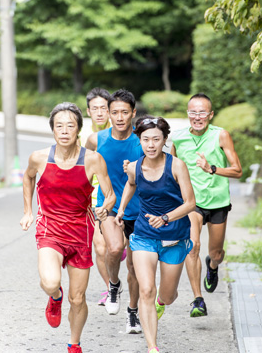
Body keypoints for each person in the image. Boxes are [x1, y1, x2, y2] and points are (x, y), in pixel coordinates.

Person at [20, 102, 116, 353]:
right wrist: (29, 211)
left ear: (78, 131)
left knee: (78, 298)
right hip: (50, 229)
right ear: (52, 130)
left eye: (70, 126)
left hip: (80, 233)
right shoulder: (39, 158)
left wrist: (104, 208)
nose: (64, 131)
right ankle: (54, 297)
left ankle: (74, 344)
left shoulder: (93, 160)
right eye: (59, 126)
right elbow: (28, 177)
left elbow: (110, 195)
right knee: (51, 282)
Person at [116, 116, 195, 353]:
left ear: (164, 141)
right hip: (144, 235)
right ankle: (152, 347)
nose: (151, 145)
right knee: (147, 289)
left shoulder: (176, 166)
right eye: (145, 139)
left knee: (167, 296)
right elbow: (131, 183)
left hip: (174, 237)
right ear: (139, 140)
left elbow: (191, 203)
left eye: (156, 139)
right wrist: (120, 209)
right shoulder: (133, 166)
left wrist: (166, 218)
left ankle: (163, 302)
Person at [171, 93, 242, 318]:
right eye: (193, 112)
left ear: (210, 115)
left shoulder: (221, 135)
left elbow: (238, 170)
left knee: (216, 252)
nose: (197, 117)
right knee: (193, 246)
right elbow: (169, 169)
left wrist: (212, 168)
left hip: (218, 202)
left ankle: (212, 266)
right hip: (192, 203)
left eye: (202, 112)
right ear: (188, 114)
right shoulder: (178, 138)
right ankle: (197, 299)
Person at [86, 88, 143, 334]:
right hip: (108, 206)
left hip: (141, 210)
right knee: (114, 248)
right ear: (107, 114)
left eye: (124, 112)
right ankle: (113, 284)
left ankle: (132, 312)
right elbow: (84, 172)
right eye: (114, 112)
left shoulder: (144, 140)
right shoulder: (96, 140)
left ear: (133, 113)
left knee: (134, 267)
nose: (119, 117)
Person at [85, 87, 126, 306]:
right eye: (95, 108)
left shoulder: (121, 130)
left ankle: (119, 252)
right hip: (96, 200)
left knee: (115, 248)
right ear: (88, 111)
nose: (100, 113)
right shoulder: (84, 136)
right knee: (100, 248)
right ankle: (110, 287)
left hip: (126, 201)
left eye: (104, 108)